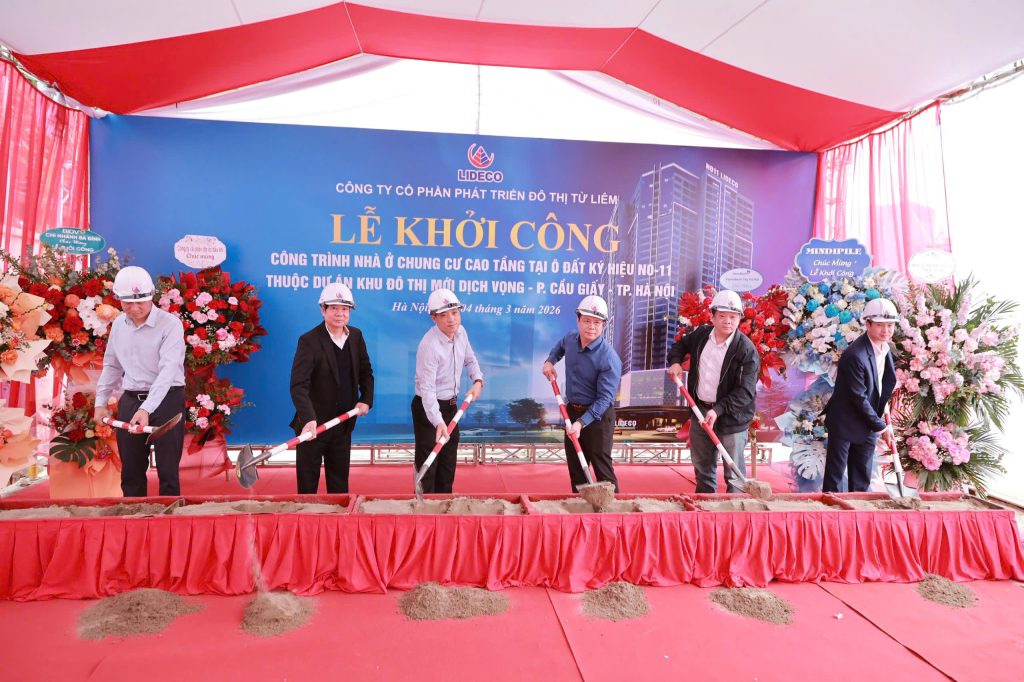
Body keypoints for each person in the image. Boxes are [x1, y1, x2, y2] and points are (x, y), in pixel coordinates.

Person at [95, 266, 186, 497]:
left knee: (168, 470)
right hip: (131, 399)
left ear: (152, 296)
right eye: (127, 303)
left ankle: (170, 517)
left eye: (140, 302)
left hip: (167, 399)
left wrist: (147, 409)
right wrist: (100, 402)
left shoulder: (170, 324)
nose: (134, 309)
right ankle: (133, 515)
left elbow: (167, 372)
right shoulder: (118, 325)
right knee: (131, 470)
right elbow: (111, 365)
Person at [666, 290, 759, 493]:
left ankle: (735, 509)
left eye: (733, 316)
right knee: (703, 469)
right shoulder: (701, 335)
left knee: (734, 477)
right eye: (722, 315)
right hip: (700, 412)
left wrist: (718, 410)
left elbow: (745, 392)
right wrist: (676, 362)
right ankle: (705, 508)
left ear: (740, 318)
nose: (728, 321)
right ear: (712, 316)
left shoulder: (746, 350)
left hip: (732, 419)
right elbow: (680, 346)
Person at [289, 282, 373, 494]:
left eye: (344, 309)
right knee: (307, 489)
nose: (340, 314)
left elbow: (366, 373)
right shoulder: (309, 341)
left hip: (343, 425)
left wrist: (366, 399)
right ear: (323, 309)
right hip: (313, 429)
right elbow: (298, 385)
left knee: (339, 488)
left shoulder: (356, 336)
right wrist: (308, 418)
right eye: (334, 308)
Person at [542, 295, 622, 492]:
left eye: (597, 322)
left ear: (603, 325)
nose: (591, 327)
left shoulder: (609, 358)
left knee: (602, 468)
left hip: (598, 417)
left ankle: (612, 509)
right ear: (578, 320)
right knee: (577, 468)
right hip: (572, 411)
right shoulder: (571, 339)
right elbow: (560, 346)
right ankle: (580, 506)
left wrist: (580, 423)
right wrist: (550, 361)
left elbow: (605, 399)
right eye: (586, 321)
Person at [822, 297, 898, 493]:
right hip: (845, 421)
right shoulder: (855, 355)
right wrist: (882, 427)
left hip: (867, 421)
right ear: (868, 324)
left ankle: (858, 511)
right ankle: (831, 510)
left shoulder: (885, 349)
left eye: (890, 325)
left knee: (861, 478)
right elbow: (858, 397)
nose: (886, 330)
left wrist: (882, 422)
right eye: (880, 325)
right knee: (835, 480)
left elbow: (881, 386)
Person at [412, 288, 484, 493]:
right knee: (429, 461)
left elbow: (470, 359)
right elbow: (427, 389)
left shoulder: (461, 332)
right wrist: (438, 422)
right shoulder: (429, 345)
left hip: (452, 406)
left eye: (455, 312)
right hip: (428, 409)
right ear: (434, 317)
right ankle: (424, 505)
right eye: (444, 315)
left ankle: (444, 502)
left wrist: (478, 380)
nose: (451, 319)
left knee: (448, 460)